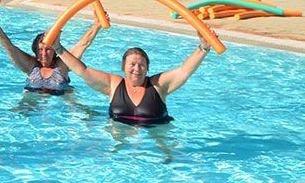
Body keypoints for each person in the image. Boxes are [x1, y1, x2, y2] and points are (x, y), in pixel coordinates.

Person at [56, 39, 213, 125]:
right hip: (119, 135)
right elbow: (82, 70)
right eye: (132, 64)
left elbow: (184, 71)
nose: (137, 68)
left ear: (147, 68)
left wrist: (203, 47)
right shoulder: (113, 83)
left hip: (156, 137)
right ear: (123, 67)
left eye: (142, 64)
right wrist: (57, 47)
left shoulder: (158, 84)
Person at [0, 18, 101, 94]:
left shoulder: (62, 65)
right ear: (36, 52)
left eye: (48, 49)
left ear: (54, 50)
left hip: (59, 105)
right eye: (40, 49)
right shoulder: (30, 66)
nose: (43, 54)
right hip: (32, 105)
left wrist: (97, 25)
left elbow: (82, 44)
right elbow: (8, 46)